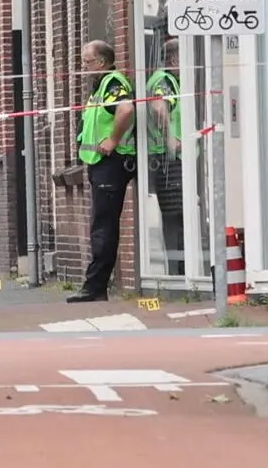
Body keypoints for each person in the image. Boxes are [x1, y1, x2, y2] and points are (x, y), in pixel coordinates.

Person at [69, 40, 135, 304]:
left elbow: (126, 108)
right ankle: (95, 285)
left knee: (103, 226)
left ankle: (95, 286)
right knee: (101, 224)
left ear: (102, 62)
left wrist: (113, 139)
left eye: (87, 62)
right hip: (99, 162)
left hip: (112, 162)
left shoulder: (114, 84)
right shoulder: (100, 87)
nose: (84, 68)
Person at [144, 39, 184, 261]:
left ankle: (179, 267)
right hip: (169, 159)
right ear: (174, 59)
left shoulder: (165, 79)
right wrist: (170, 139)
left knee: (174, 215)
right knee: (175, 216)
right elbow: (159, 107)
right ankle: (180, 269)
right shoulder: (164, 81)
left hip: (167, 158)